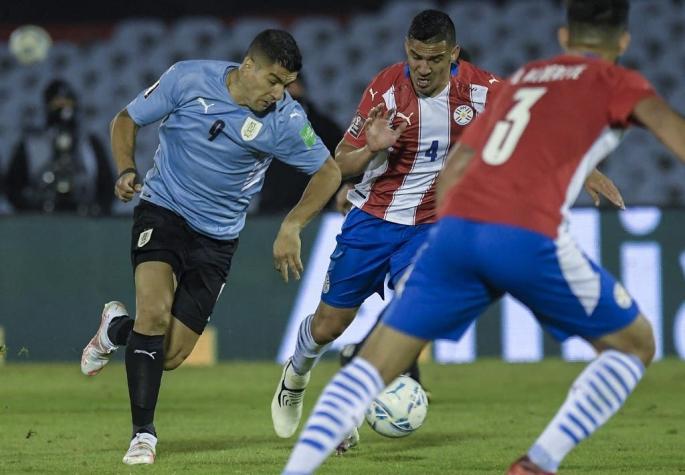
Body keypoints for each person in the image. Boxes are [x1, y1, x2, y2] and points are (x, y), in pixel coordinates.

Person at [281, 0, 685, 473]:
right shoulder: (619, 82)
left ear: (561, 38)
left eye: (435, 57)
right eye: (416, 56)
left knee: (372, 361)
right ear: (623, 43)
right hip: (511, 231)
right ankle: (539, 462)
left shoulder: (524, 79)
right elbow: (669, 131)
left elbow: (458, 167)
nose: (424, 67)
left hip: (452, 230)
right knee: (635, 344)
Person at [79, 29, 341, 465]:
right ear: (249, 66)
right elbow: (125, 119)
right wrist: (125, 169)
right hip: (162, 210)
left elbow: (328, 172)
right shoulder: (188, 79)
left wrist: (292, 225)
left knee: (169, 355)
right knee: (154, 313)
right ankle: (143, 435)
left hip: (217, 237)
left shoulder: (286, 120)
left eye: (287, 84)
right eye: (274, 80)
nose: (280, 94)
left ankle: (114, 330)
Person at [6, 79, 114, 215]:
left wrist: (98, 210)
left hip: (84, 220)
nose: (64, 108)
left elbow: (107, 186)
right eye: (58, 103)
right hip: (42, 221)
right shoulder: (31, 144)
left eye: (68, 102)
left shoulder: (90, 143)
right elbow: (12, 186)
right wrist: (30, 209)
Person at [260, 74, 344, 213]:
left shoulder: (325, 128)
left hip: (316, 214)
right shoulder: (263, 126)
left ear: (301, 87)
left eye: (288, 86)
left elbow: (343, 165)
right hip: (271, 214)